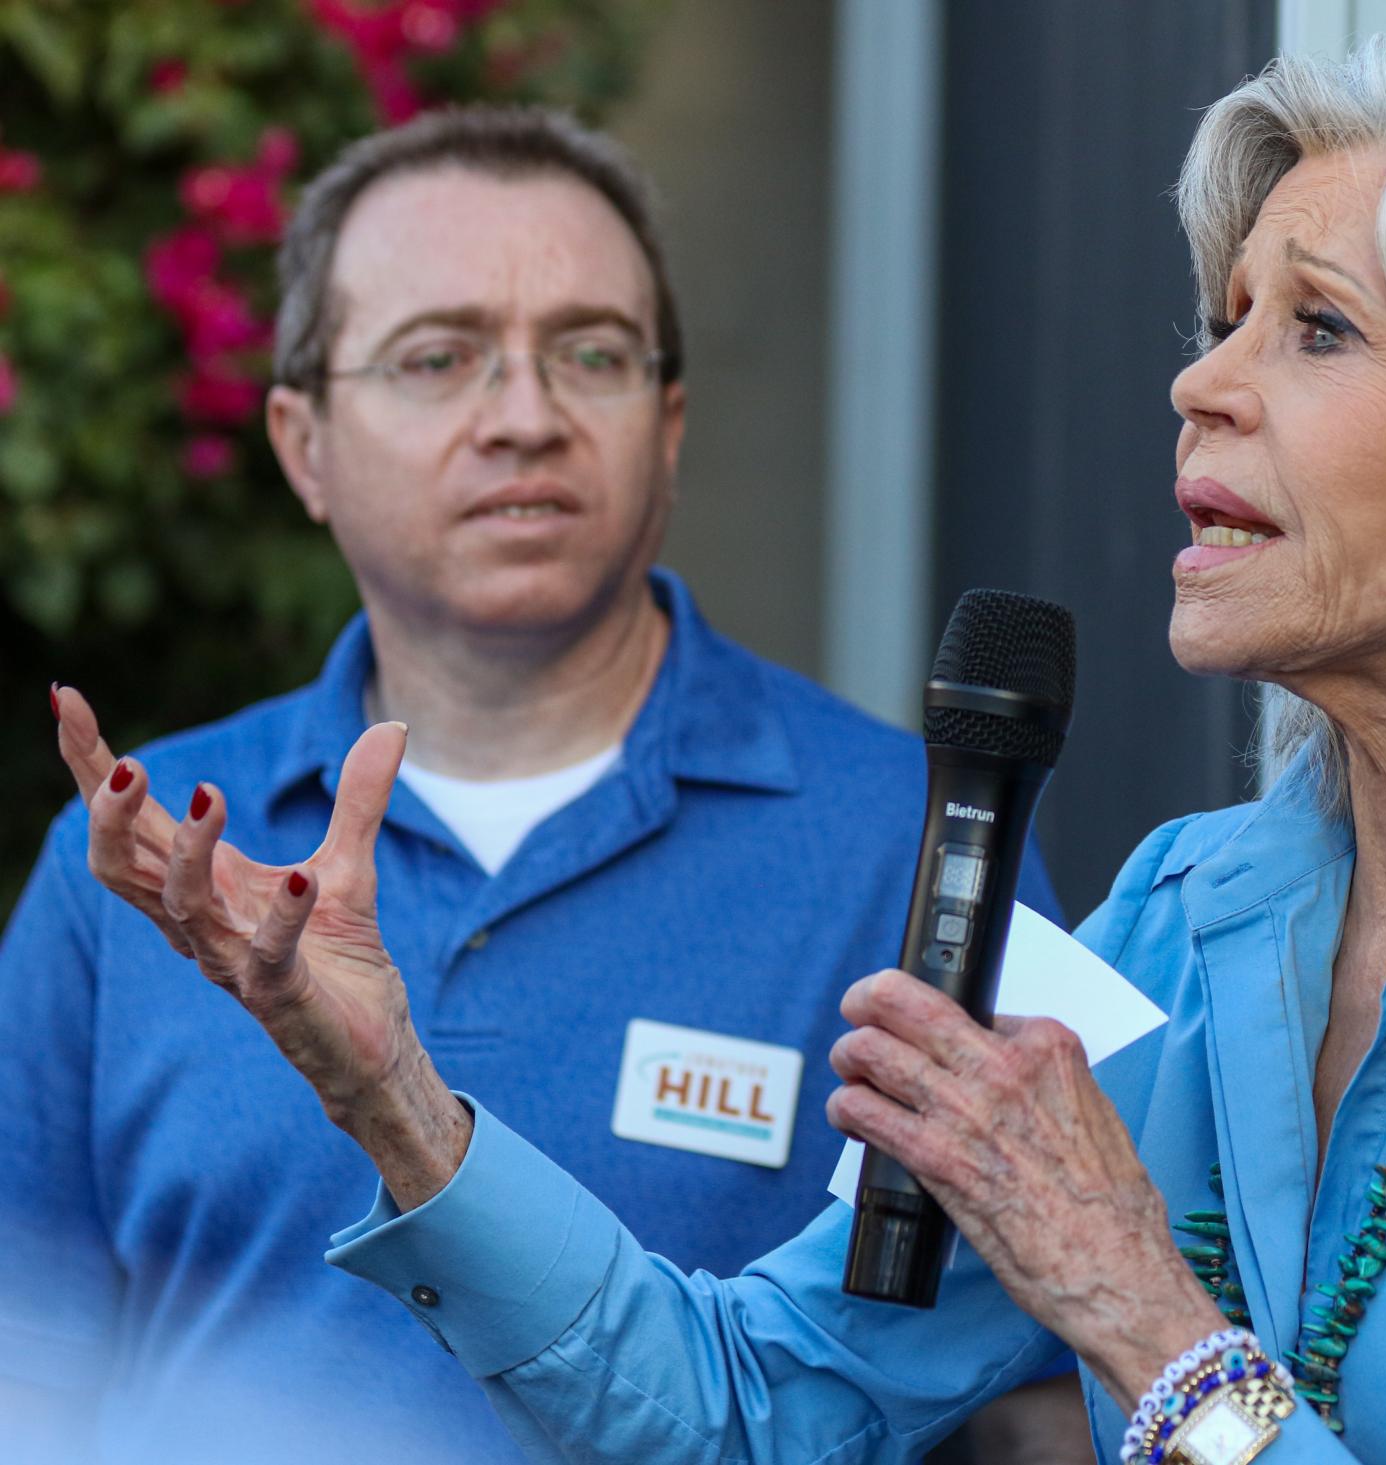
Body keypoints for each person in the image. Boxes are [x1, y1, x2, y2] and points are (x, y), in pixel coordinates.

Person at [48, 43, 1386, 1465]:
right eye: (1221, 317)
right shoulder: (1173, 915)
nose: (1197, 379)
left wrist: (1137, 1309)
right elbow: (745, 1402)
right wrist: (394, 1096)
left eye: (1313, 331)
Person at [0, 108, 1075, 1464]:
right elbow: (22, 1372)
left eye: (591, 353)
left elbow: (1034, 1402)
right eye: (438, 358)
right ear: (303, 442)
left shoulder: (907, 840)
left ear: (670, 424)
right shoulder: (146, 860)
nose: (524, 417)